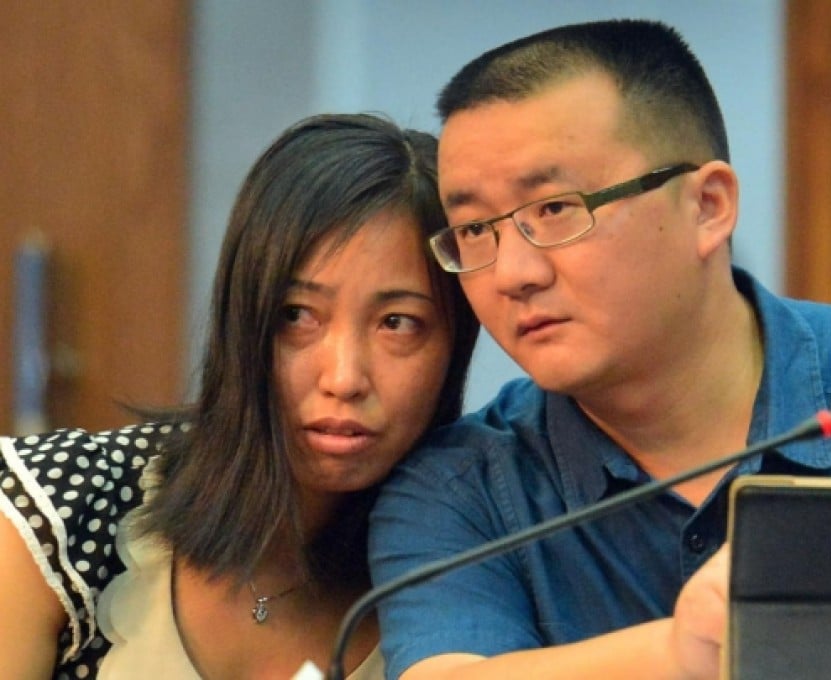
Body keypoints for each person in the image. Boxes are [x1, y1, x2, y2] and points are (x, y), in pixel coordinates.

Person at [367, 18, 831, 680]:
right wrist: (681, 650)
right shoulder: (462, 489)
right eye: (475, 229)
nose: (512, 273)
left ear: (708, 206)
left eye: (557, 209)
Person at [0, 113, 479, 678]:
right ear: (241, 320)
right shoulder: (56, 509)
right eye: (297, 316)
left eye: (398, 322)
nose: (345, 377)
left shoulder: (464, 571)